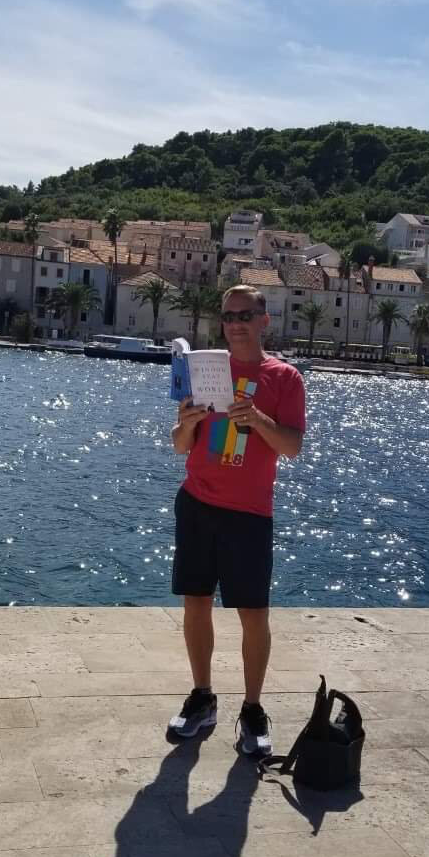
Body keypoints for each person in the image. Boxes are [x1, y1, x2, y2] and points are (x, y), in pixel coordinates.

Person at [166, 284, 306, 757]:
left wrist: (259, 420)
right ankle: (203, 696)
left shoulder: (284, 377)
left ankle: (252, 708)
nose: (236, 323)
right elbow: (180, 444)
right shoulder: (206, 370)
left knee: (253, 614)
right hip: (198, 502)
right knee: (196, 602)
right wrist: (185, 421)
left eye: (246, 314)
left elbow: (291, 447)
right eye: (228, 316)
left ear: (265, 319)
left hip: (248, 513)